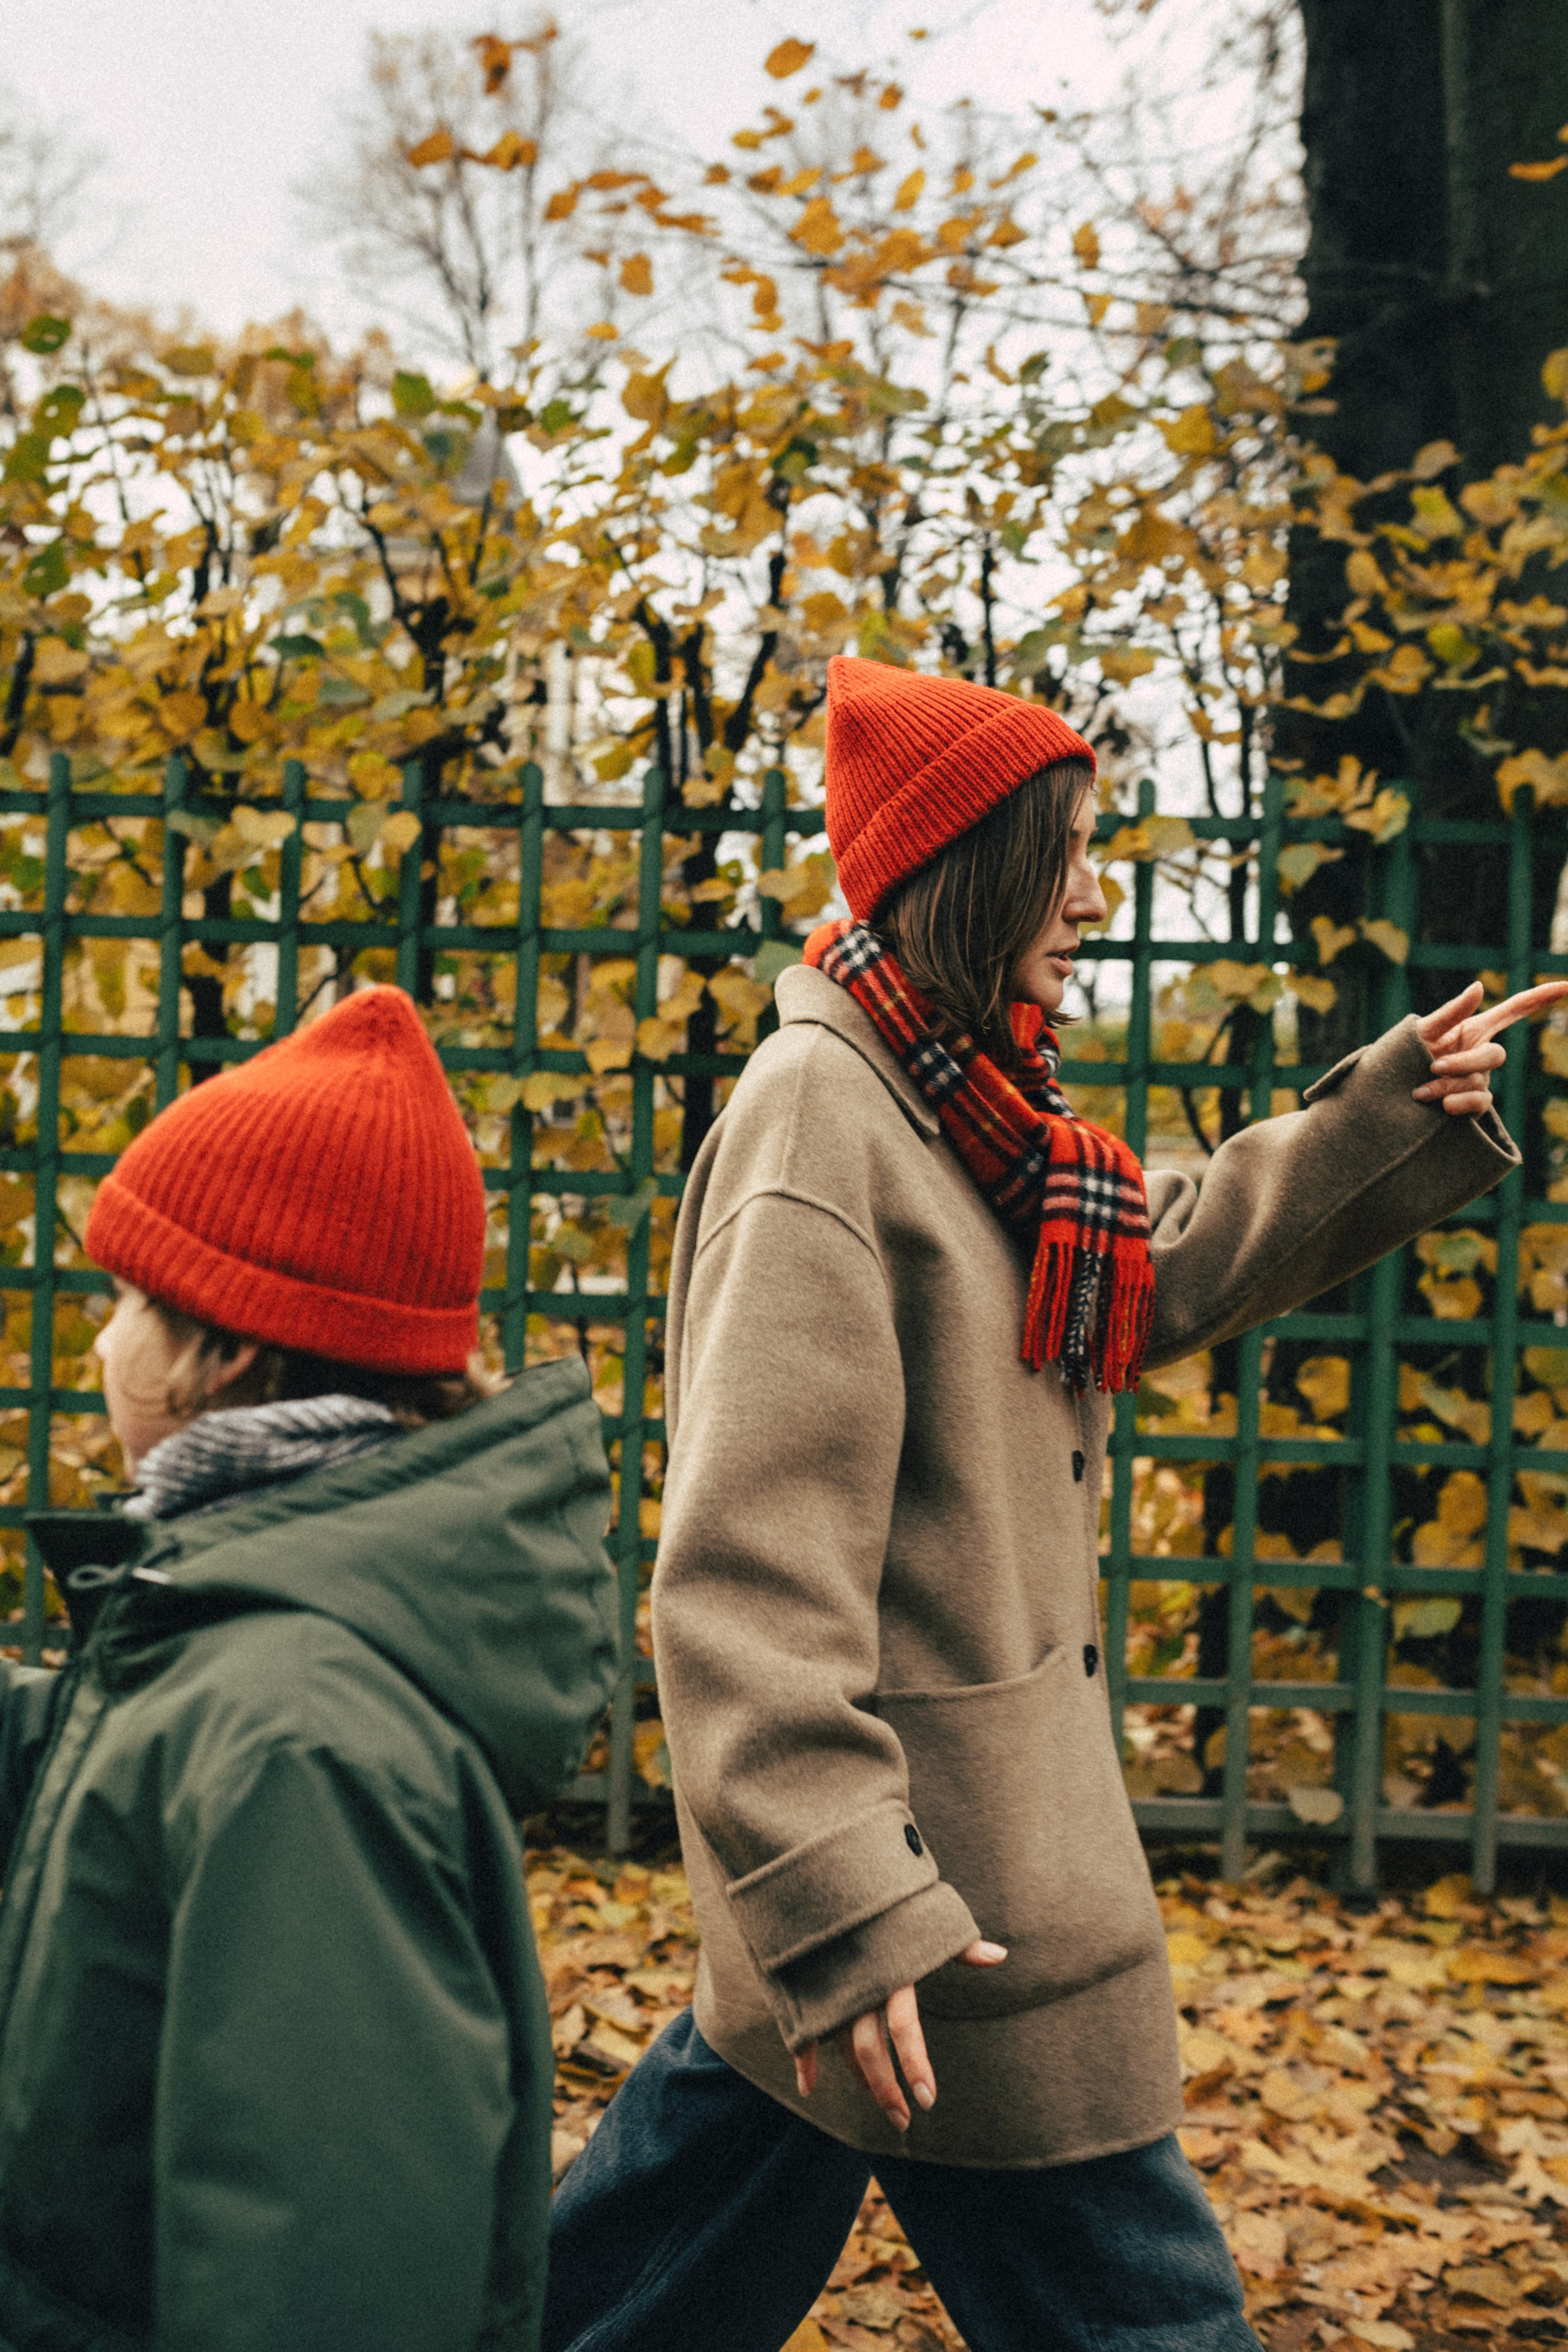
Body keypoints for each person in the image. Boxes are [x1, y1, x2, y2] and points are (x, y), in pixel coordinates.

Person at [544, 657, 1560, 2352]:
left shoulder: (962, 1104)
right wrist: (852, 1909)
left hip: (928, 1904)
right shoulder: (825, 1133)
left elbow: (1139, 1270)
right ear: (973, 870)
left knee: (629, 2291)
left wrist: (1382, 1118)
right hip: (951, 1919)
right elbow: (743, 1587)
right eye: (1067, 853)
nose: (1094, 894)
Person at [0, 986, 618, 2352]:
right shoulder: (244, 1618)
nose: (99, 1341)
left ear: (222, 1347)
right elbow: (109, 1771)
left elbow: (328, 2264)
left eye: (123, 1300)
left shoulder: (299, 1738)